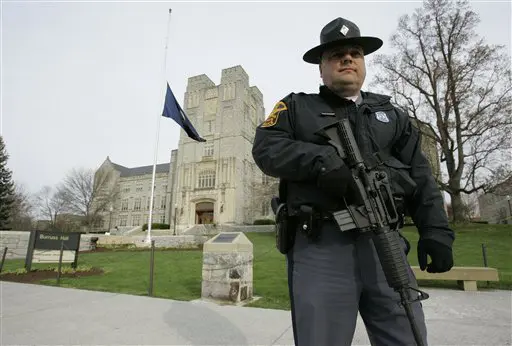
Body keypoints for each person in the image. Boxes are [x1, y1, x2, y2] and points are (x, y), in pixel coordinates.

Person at [252, 17, 455, 346]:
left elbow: (421, 175)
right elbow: (266, 148)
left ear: (362, 64)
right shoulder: (295, 107)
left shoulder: (392, 116)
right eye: (336, 54)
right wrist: (321, 162)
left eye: (355, 53)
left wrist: (435, 232)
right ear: (321, 68)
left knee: (407, 336)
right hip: (322, 247)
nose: (347, 59)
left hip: (386, 244)